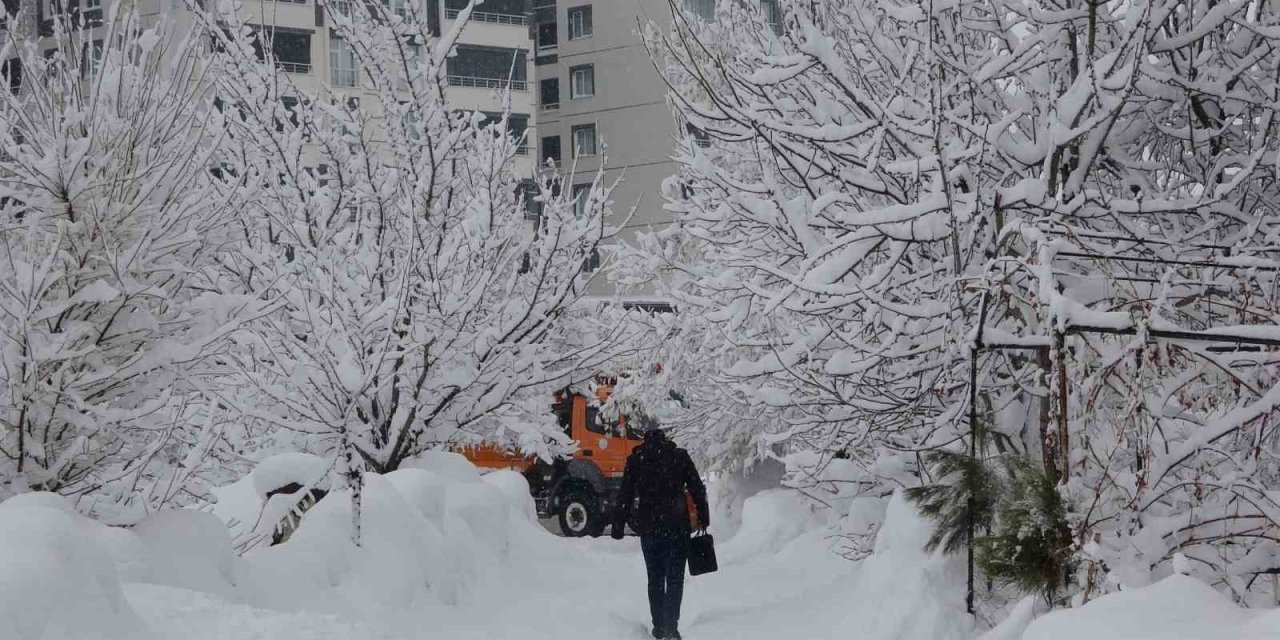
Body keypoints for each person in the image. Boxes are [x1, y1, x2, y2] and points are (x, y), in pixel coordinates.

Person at [611, 429, 709, 640]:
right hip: (677, 526)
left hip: (649, 527)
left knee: (655, 579)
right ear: (666, 440)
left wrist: (618, 525)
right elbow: (697, 488)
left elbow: (625, 493)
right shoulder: (679, 456)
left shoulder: (637, 459)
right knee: (675, 579)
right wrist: (704, 517)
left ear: (645, 441)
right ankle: (671, 628)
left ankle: (658, 627)